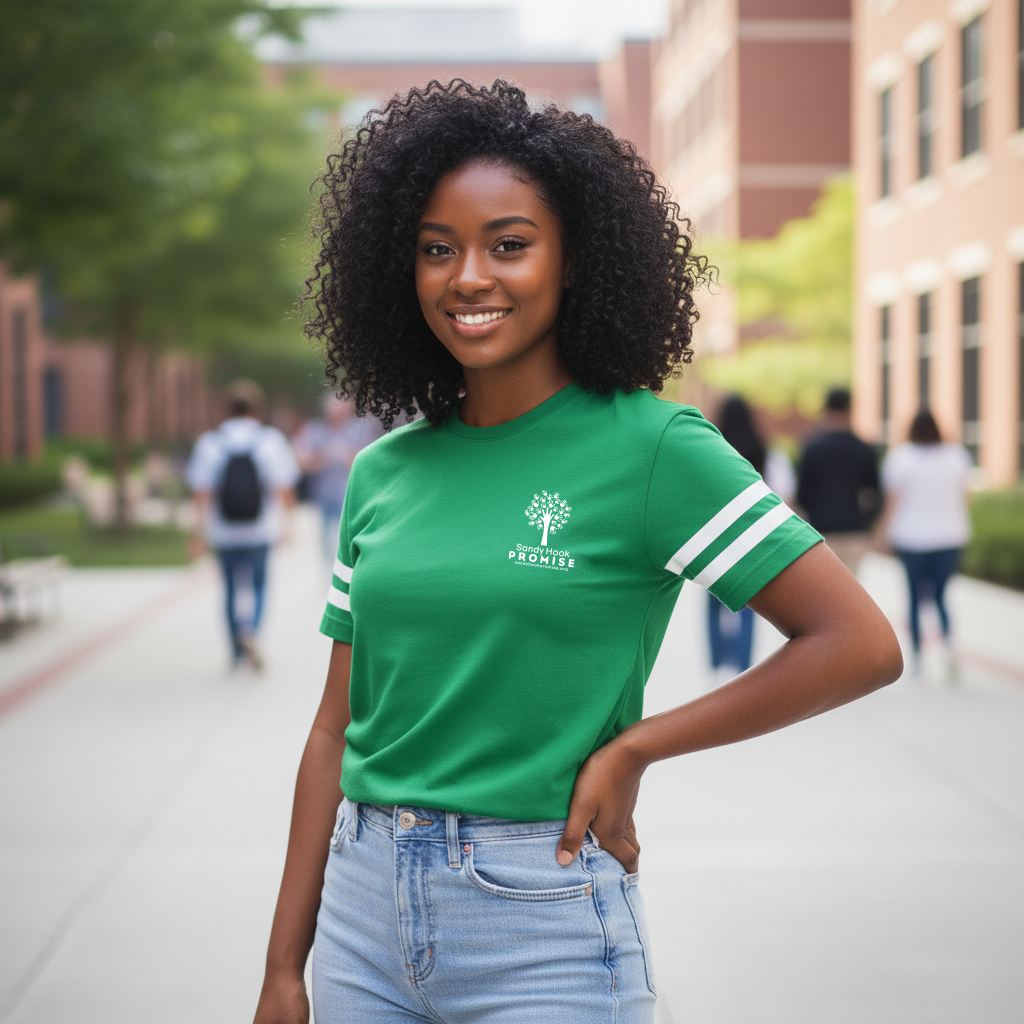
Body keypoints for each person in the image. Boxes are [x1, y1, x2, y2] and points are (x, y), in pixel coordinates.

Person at [252, 80, 902, 1024]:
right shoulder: (383, 471)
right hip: (360, 923)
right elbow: (332, 730)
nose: (467, 276)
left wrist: (638, 746)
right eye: (437, 249)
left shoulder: (655, 450)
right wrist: (284, 966)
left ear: (576, 260)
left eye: (509, 244)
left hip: (541, 922)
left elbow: (858, 643)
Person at [186, 379, 299, 670]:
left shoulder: (210, 443)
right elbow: (284, 488)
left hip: (223, 531)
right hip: (260, 530)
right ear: (258, 409)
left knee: (230, 591)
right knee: (259, 586)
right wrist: (289, 525)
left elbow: (201, 494)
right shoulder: (270, 440)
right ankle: (252, 632)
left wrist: (196, 534)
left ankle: (236, 650)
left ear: (225, 409)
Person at [879, 409, 971, 678]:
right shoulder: (956, 456)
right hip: (950, 536)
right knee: (941, 596)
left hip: (911, 537)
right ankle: (948, 647)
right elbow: (965, 497)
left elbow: (892, 502)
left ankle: (917, 656)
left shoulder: (900, 457)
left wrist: (881, 533)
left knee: (913, 597)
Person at [705, 395, 766, 678]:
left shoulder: (711, 450)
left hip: (714, 539)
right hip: (753, 538)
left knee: (713, 605)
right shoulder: (762, 451)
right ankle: (744, 664)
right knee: (750, 606)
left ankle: (717, 663)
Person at [796, 387, 881, 576]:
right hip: (855, 529)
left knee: (823, 586)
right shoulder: (864, 449)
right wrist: (868, 521)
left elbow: (802, 493)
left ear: (826, 409)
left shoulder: (812, 448)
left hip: (821, 529)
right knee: (851, 587)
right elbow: (875, 493)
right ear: (850, 408)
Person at [293, 396, 386, 564]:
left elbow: (372, 461)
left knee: (348, 537)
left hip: (351, 495)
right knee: (325, 541)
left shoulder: (360, 430)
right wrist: (322, 457)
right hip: (322, 495)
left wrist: (347, 455)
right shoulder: (316, 430)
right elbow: (302, 461)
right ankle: (329, 569)